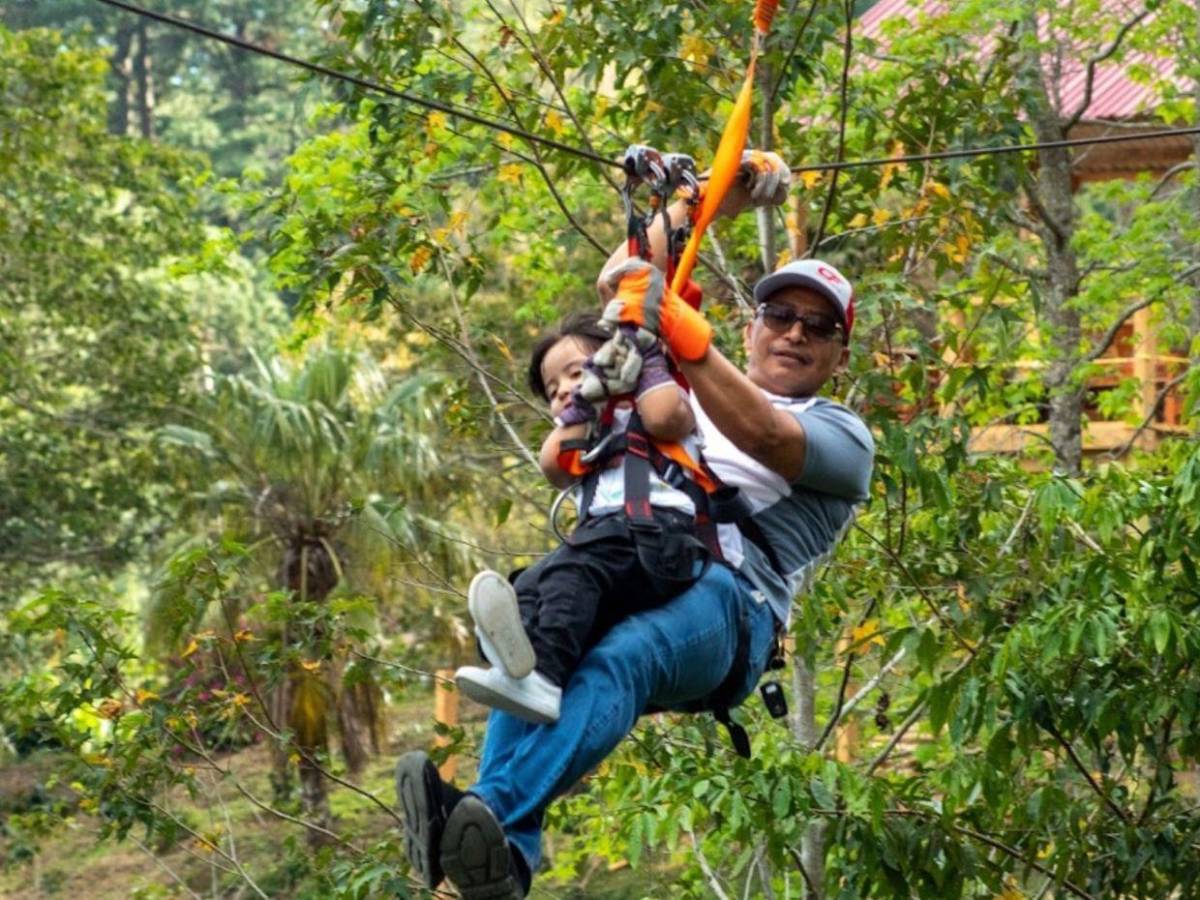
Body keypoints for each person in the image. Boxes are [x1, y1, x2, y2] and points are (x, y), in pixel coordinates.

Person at [395, 151, 875, 899]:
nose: (794, 334)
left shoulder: (843, 436)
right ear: (753, 327)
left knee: (625, 656)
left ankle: (485, 814)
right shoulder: (685, 381)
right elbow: (623, 279)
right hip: (637, 556)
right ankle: (498, 858)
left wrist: (678, 328)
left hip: (730, 605)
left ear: (839, 355)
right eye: (780, 316)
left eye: (818, 327)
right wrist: (709, 198)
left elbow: (766, 437)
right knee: (533, 655)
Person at [452, 309, 713, 725]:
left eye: (574, 373)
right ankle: (515, 661)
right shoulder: (585, 432)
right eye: (552, 390)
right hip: (611, 546)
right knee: (530, 586)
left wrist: (644, 358)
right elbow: (551, 463)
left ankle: (545, 677)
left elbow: (665, 415)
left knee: (572, 571)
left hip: (660, 538)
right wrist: (584, 402)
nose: (562, 392)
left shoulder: (651, 404)